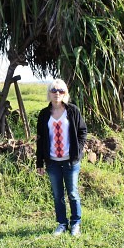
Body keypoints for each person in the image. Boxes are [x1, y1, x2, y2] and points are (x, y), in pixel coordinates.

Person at [36, 79, 87, 236]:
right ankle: (62, 223)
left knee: (72, 193)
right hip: (52, 162)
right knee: (58, 195)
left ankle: (75, 223)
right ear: (49, 93)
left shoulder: (72, 111)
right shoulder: (44, 114)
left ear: (65, 93)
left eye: (61, 91)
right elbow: (40, 139)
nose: (57, 93)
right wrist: (39, 162)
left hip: (70, 161)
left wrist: (77, 152)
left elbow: (82, 132)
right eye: (54, 90)